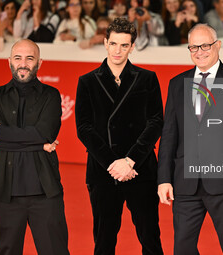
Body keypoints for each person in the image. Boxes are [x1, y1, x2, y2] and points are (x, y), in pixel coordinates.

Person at [157, 23, 223, 255]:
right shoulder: (176, 84)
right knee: (182, 249)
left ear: (218, 45)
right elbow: (169, 134)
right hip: (185, 184)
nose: (199, 51)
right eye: (193, 47)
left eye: (205, 45)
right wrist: (163, 178)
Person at [75, 17, 164, 255]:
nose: (118, 50)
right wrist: (113, 164)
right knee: (103, 242)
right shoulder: (87, 82)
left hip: (140, 169)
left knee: (151, 239)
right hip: (104, 173)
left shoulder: (147, 78)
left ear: (132, 47)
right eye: (113, 44)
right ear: (105, 42)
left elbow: (156, 122)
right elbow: (83, 128)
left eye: (124, 45)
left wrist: (130, 160)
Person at [0, 39, 69, 255]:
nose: (23, 63)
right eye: (18, 58)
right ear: (9, 61)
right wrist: (39, 145)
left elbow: (44, 133)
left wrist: (1, 133)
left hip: (45, 194)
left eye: (30, 58)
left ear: (40, 62)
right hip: (5, 194)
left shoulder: (51, 95)